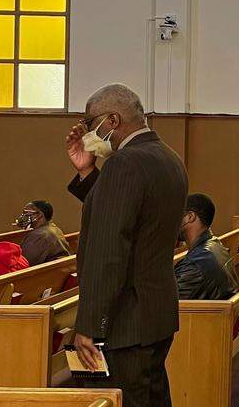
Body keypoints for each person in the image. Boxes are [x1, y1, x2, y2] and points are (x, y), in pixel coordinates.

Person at [63, 83, 187, 407]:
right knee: (152, 398)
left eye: (90, 123)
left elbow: (108, 251)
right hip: (156, 313)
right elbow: (127, 216)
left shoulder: (124, 163)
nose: (87, 132)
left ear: (112, 121)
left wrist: (90, 326)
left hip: (125, 321)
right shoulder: (168, 158)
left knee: (122, 400)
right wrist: (88, 172)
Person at [174, 193, 238, 300]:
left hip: (213, 310)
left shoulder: (194, 265)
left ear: (190, 217)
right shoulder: (216, 244)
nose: (172, 223)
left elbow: (168, 303)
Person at [15, 200, 71, 266]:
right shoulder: (54, 228)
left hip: (48, 271)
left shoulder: (39, 235)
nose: (23, 216)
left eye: (26, 213)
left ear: (39, 215)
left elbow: (24, 262)